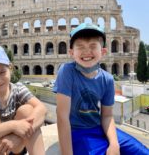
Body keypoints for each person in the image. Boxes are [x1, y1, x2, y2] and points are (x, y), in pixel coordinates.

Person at [53, 23, 149, 155]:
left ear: (103, 51)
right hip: (77, 131)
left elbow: (107, 115)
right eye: (80, 47)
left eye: (93, 46)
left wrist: (114, 144)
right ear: (71, 53)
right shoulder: (66, 71)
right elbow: (62, 116)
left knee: (143, 152)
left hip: (99, 127)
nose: (87, 51)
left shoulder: (108, 79)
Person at [0, 43, 47, 155]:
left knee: (28, 110)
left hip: (15, 147)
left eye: (2, 72)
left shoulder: (18, 89)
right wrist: (12, 126)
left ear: (10, 68)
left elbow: (42, 109)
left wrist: (15, 137)